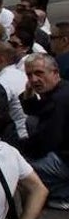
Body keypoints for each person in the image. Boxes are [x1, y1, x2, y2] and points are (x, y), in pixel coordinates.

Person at [19, 54, 69, 208]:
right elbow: (36, 112)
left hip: (64, 159)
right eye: (29, 75)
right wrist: (28, 94)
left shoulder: (59, 99)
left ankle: (62, 194)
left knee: (20, 174)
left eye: (39, 73)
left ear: (55, 73)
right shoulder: (61, 89)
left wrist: (20, 153)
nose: (33, 80)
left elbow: (47, 141)